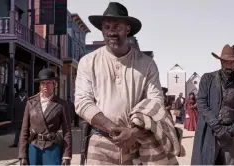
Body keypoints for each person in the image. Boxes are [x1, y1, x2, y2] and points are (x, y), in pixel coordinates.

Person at [75, 2, 183, 165]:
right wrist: (113, 128)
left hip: (137, 142)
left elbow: (155, 103)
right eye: (106, 26)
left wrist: (133, 132)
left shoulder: (146, 64)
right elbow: (82, 103)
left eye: (117, 26)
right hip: (100, 142)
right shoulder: (88, 62)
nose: (111, 31)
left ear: (128, 29)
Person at [191, 45, 234, 165]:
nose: (228, 65)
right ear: (220, 61)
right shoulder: (207, 79)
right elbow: (202, 104)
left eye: (232, 62)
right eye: (225, 61)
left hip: (232, 136)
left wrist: (231, 131)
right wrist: (218, 128)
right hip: (210, 132)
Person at [18, 68, 72, 165]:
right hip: (34, 147)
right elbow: (24, 130)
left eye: (48, 83)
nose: (45, 86)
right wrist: (22, 154)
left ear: (54, 84)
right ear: (39, 86)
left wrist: (66, 155)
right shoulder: (30, 103)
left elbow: (67, 132)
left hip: (53, 147)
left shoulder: (62, 105)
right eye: (43, 83)